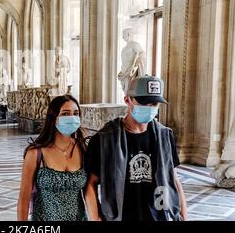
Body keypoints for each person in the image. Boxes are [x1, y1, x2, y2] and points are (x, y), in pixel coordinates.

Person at [84, 75, 188, 221]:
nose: (150, 109)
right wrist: (96, 219)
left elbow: (174, 179)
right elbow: (90, 183)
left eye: (154, 104)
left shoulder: (165, 136)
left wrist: (184, 216)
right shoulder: (104, 138)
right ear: (127, 100)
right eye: (144, 103)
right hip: (121, 216)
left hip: (159, 215)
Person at [17, 95, 88, 221]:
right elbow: (24, 198)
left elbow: (89, 192)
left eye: (76, 113)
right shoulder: (35, 153)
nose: (72, 118)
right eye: (65, 114)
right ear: (53, 118)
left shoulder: (83, 149)